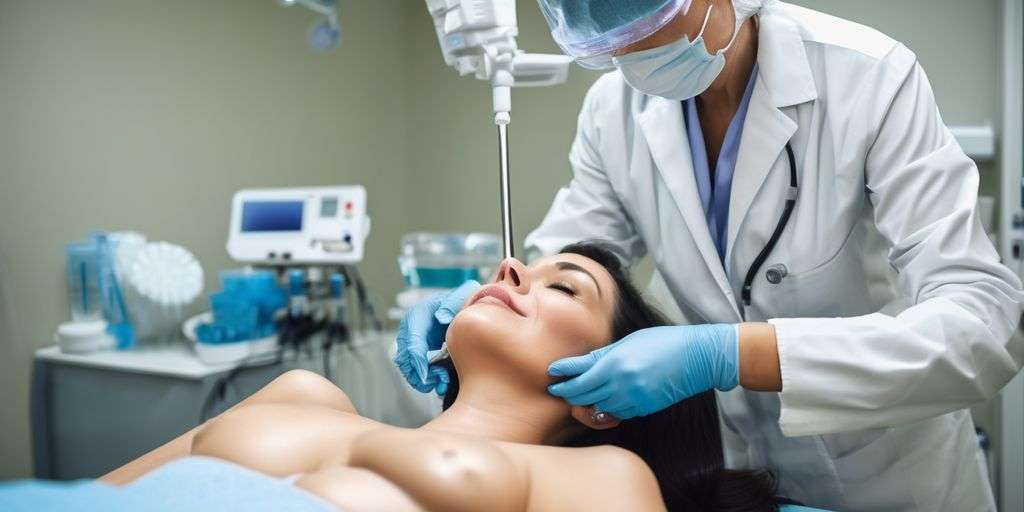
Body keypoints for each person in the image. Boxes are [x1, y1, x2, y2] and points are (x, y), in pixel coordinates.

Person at [394, 1, 1024, 510]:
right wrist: (491, 297)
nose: (629, 48)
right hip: (734, 479)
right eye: (604, 28)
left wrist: (727, 354)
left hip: (893, 478)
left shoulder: (871, 78)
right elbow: (572, 250)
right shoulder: (613, 112)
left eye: (643, 14)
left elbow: (980, 323)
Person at [99, 244, 821, 511]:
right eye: (520, 267)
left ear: (608, 398)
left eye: (564, 288)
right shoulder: (303, 395)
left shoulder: (608, 477)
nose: (507, 270)